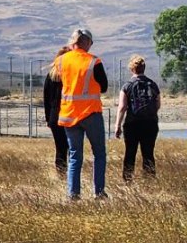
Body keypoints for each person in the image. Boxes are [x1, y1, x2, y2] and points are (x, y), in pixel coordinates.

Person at [55, 29, 109, 201]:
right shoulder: (94, 61)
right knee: (99, 153)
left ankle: (73, 194)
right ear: (86, 42)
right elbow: (105, 86)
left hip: (69, 114)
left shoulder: (61, 60)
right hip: (90, 112)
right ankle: (99, 192)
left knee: (74, 155)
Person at [115, 55, 161, 182]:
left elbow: (122, 107)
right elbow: (157, 105)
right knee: (148, 153)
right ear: (144, 68)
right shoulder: (153, 84)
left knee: (130, 152)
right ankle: (150, 180)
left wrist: (117, 125)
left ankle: (127, 180)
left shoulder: (127, 86)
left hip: (132, 124)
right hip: (150, 123)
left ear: (132, 69)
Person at [41, 46, 70, 170]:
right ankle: (72, 174)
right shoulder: (69, 76)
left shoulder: (51, 76)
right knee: (72, 147)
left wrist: (48, 118)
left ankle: (61, 172)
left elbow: (46, 99)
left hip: (54, 116)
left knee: (60, 147)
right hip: (68, 114)